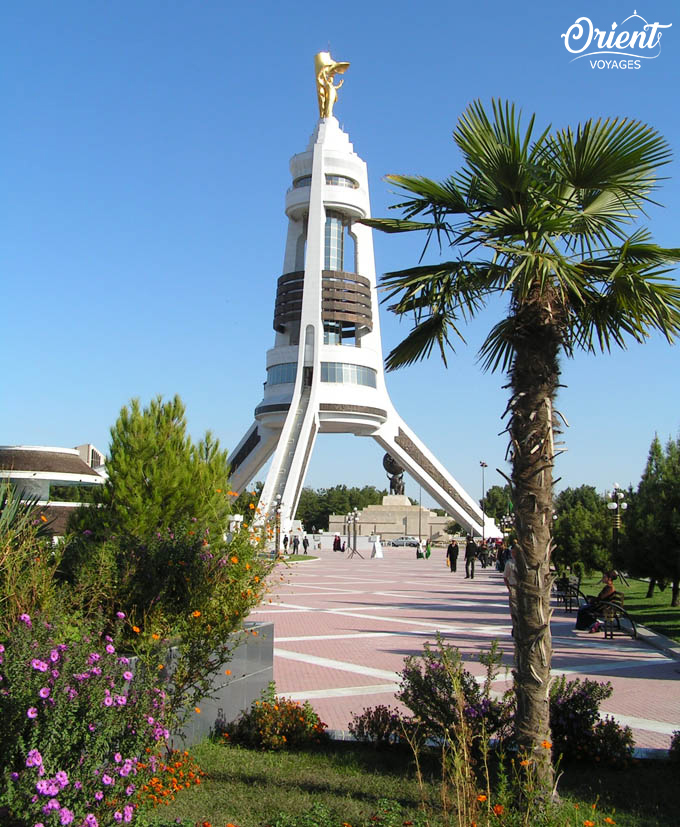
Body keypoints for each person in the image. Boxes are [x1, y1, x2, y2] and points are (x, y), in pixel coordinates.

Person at [503, 544, 519, 634]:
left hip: (523, 588)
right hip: (513, 587)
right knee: (514, 610)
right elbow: (505, 577)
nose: (513, 554)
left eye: (515, 552)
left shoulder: (524, 563)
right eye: (512, 552)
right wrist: (509, 588)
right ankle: (515, 627)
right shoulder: (509, 563)